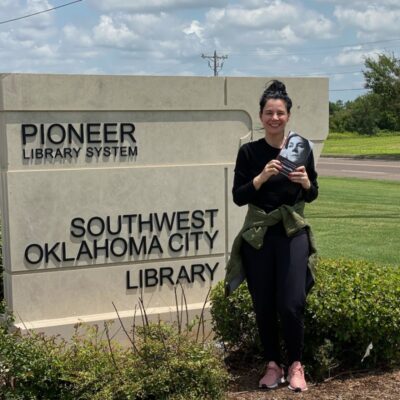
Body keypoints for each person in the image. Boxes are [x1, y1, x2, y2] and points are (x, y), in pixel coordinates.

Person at [225, 80, 318, 392]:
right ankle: (272, 365)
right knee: (263, 303)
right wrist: (261, 177)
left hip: (292, 232)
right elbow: (238, 196)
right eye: (269, 112)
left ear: (288, 115)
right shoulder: (250, 152)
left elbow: (314, 193)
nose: (274, 118)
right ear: (260, 116)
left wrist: (305, 183)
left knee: (291, 303)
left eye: (280, 113)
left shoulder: (302, 149)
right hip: (259, 235)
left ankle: (295, 365)